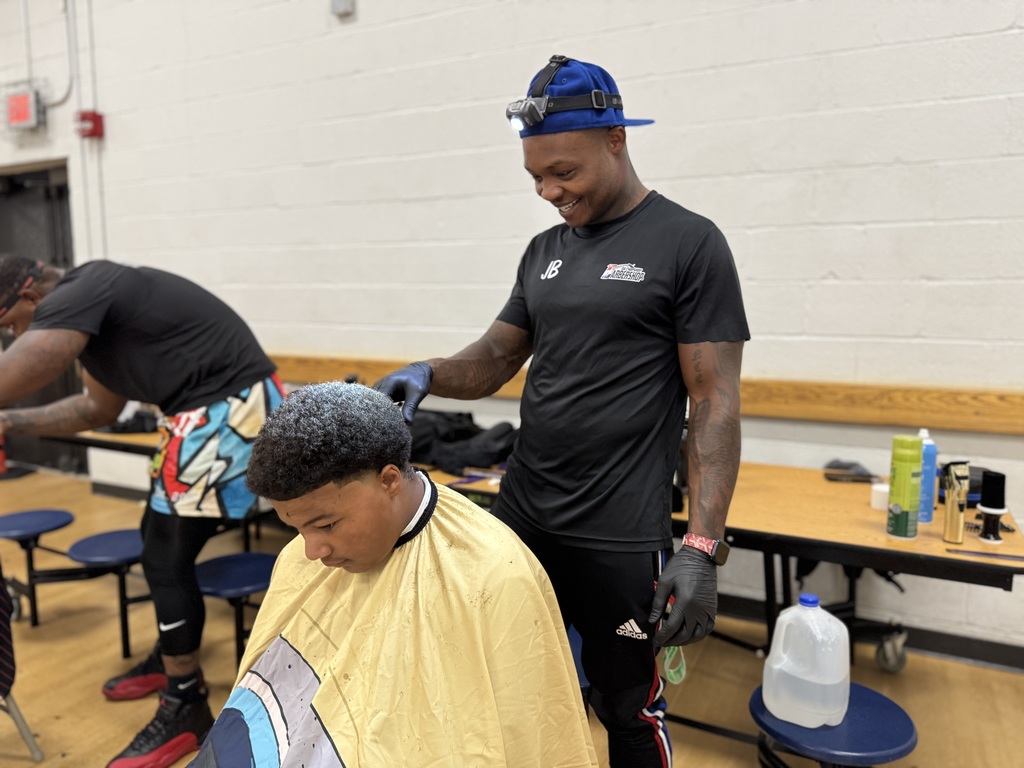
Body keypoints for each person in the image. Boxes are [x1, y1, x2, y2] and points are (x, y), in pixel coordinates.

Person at [374, 55, 749, 767]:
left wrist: (702, 547)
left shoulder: (689, 243)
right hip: (523, 517)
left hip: (617, 534)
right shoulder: (543, 251)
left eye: (564, 173)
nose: (549, 192)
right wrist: (427, 373)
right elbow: (497, 355)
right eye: (536, 178)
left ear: (617, 139)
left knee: (626, 709)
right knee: (510, 690)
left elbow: (714, 401)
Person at [187, 382, 599, 767]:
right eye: (296, 528)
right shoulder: (303, 553)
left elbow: (532, 737)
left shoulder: (495, 574)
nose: (312, 552)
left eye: (326, 525)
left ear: (389, 480)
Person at [0, 256, 286, 768]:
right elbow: (97, 409)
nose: (15, 337)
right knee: (158, 540)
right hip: (199, 414)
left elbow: (27, 365)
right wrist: (9, 422)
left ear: (29, 295)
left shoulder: (84, 286)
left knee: (164, 555)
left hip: (226, 408)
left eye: (10, 325)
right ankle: (174, 652)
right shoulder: (92, 319)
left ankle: (185, 703)